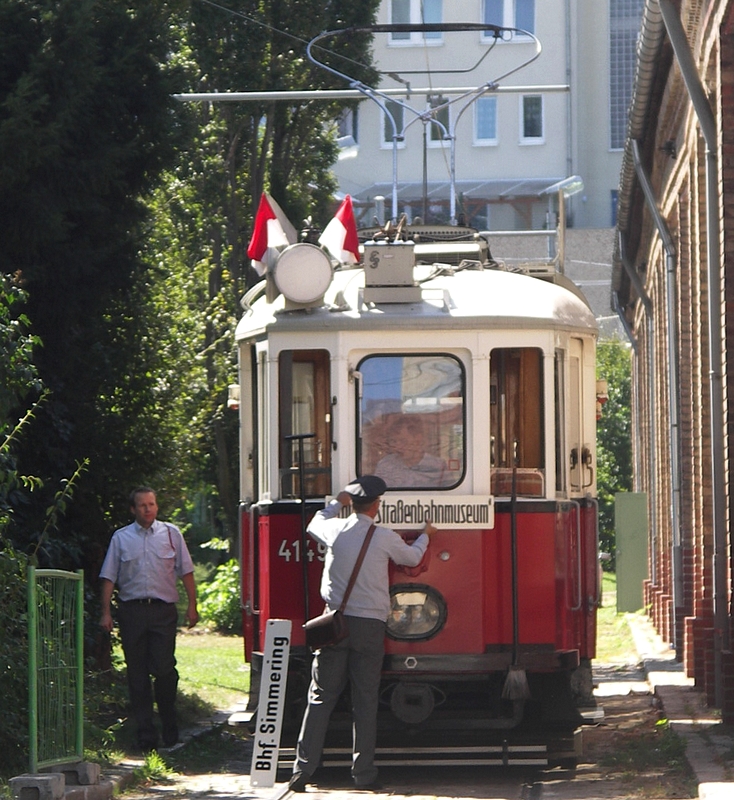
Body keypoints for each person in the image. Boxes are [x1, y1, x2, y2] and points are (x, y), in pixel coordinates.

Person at [290, 475, 436, 792]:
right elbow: (411, 557)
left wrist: (334, 503)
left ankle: (302, 772)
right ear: (377, 506)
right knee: (365, 701)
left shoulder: (334, 529)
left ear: (352, 505)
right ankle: (364, 774)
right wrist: (425, 535)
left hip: (334, 625)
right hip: (369, 627)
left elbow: (315, 523)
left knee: (320, 698)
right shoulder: (383, 537)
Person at [99, 487, 199, 751]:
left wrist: (192, 605)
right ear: (133, 509)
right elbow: (109, 577)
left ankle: (169, 720)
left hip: (163, 611)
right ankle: (146, 733)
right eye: (142, 505)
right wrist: (106, 612)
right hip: (131, 611)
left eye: (152, 504)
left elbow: (186, 571)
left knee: (164, 668)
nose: (148, 509)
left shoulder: (171, 534)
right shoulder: (121, 538)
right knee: (137, 673)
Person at [375, 415, 447, 488]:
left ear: (418, 439)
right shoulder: (384, 465)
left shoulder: (438, 465)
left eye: (403, 441)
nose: (397, 447)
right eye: (393, 441)